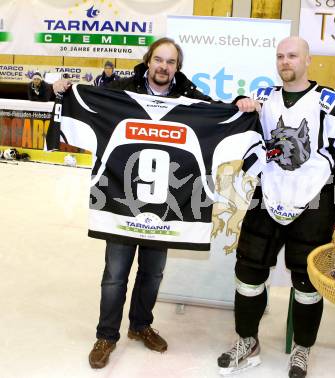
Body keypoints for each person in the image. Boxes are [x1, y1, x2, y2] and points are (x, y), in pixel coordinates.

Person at [52, 37, 252, 370]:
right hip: (120, 201)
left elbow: (221, 115)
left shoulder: (190, 98)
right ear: (148, 60)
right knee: (115, 274)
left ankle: (140, 325)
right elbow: (81, 103)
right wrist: (62, 91)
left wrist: (241, 104)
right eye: (158, 59)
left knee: (153, 273)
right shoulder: (120, 91)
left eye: (170, 62)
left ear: (177, 67)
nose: (163, 66)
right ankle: (107, 335)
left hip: (169, 208)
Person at [216, 37, 335, 378]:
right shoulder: (265, 97)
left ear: (308, 59)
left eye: (293, 55)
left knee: (308, 281)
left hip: (314, 199)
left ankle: (302, 348)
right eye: (280, 56)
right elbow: (247, 133)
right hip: (268, 194)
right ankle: (247, 341)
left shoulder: (333, 100)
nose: (286, 61)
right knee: (248, 272)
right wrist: (241, 105)